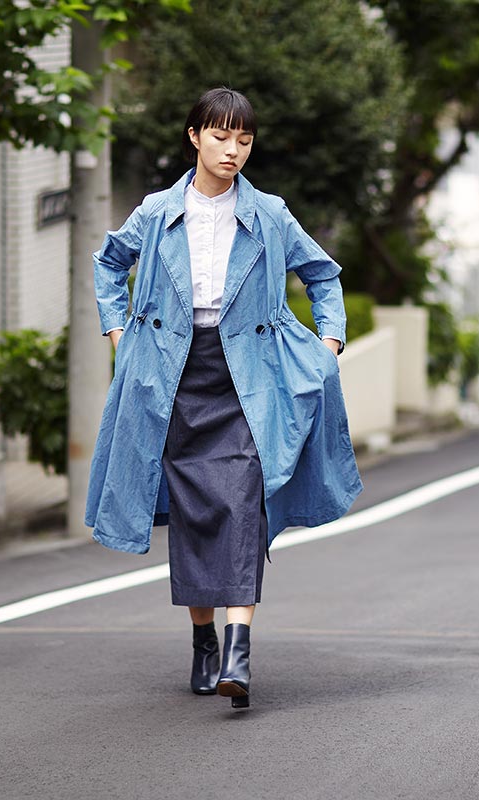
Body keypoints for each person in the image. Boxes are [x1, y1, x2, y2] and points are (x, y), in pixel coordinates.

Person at [86, 87, 363, 708]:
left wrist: (329, 345)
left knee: (242, 504)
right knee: (194, 511)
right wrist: (118, 333)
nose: (232, 150)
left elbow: (322, 275)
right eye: (220, 136)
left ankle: (238, 650)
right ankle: (204, 639)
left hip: (249, 376)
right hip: (173, 375)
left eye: (244, 139)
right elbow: (109, 264)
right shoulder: (157, 211)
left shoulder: (269, 214)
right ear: (195, 138)